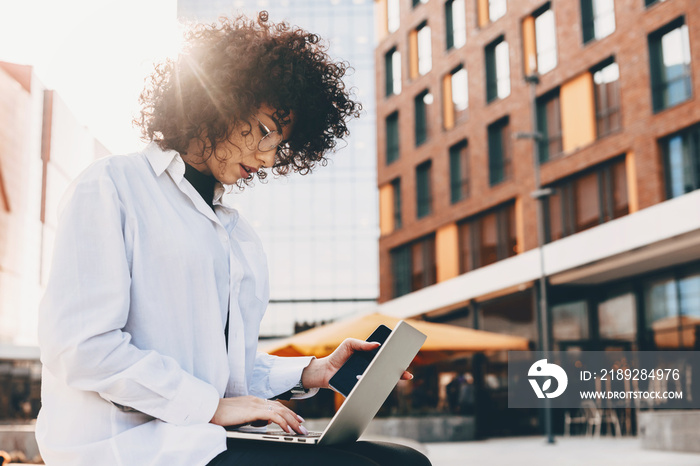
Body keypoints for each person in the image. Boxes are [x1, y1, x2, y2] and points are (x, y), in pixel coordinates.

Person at [35, 11, 431, 466]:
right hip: (127, 446)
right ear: (217, 102)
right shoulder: (112, 185)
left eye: (280, 145)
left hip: (204, 438)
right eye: (264, 130)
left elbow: (221, 367)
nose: (267, 158)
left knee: (405, 460)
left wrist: (313, 371)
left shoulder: (235, 234)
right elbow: (80, 346)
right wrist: (209, 407)